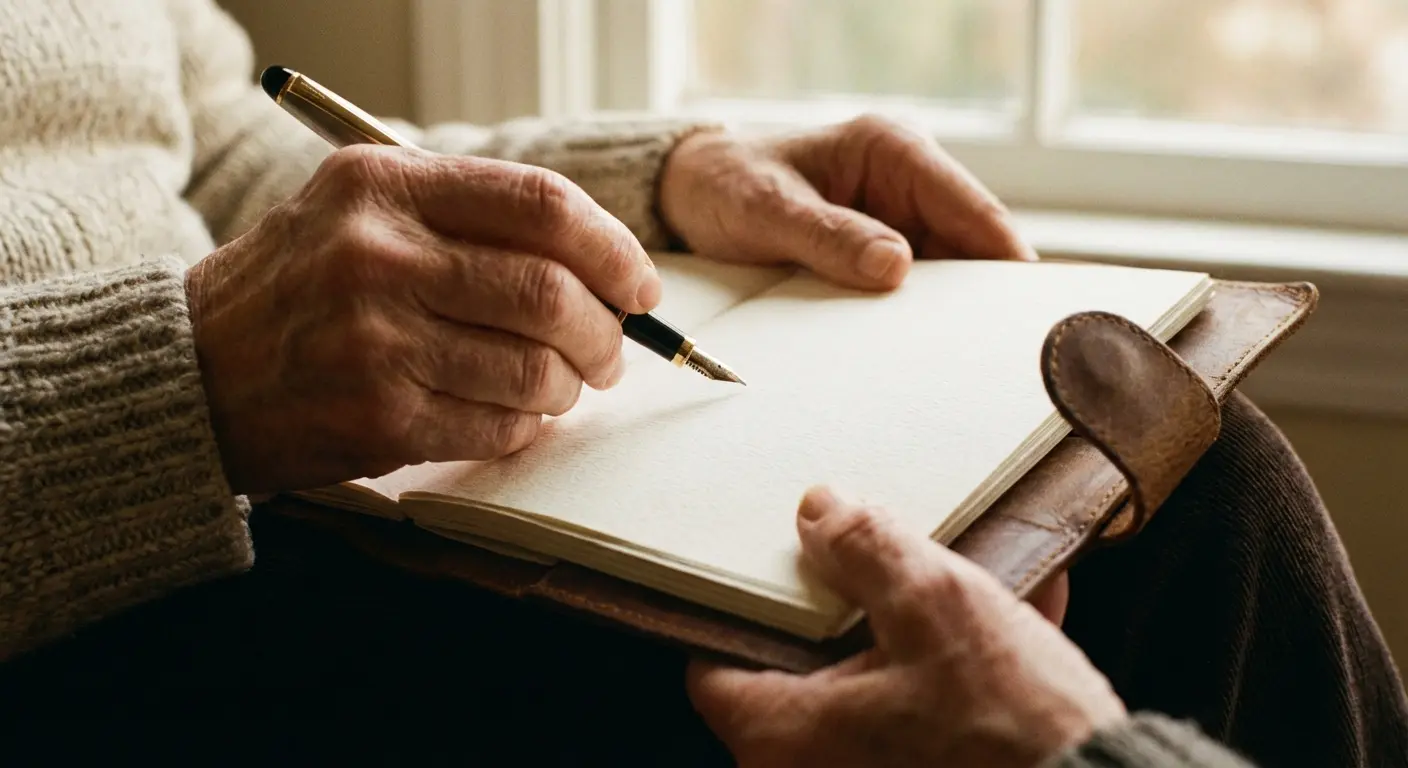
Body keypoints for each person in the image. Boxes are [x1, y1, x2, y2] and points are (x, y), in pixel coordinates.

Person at [1, 2, 1404, 766]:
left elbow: (221, 151)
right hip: (92, 595)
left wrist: (658, 186)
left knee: (1196, 479)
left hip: (260, 494)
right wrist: (178, 377)